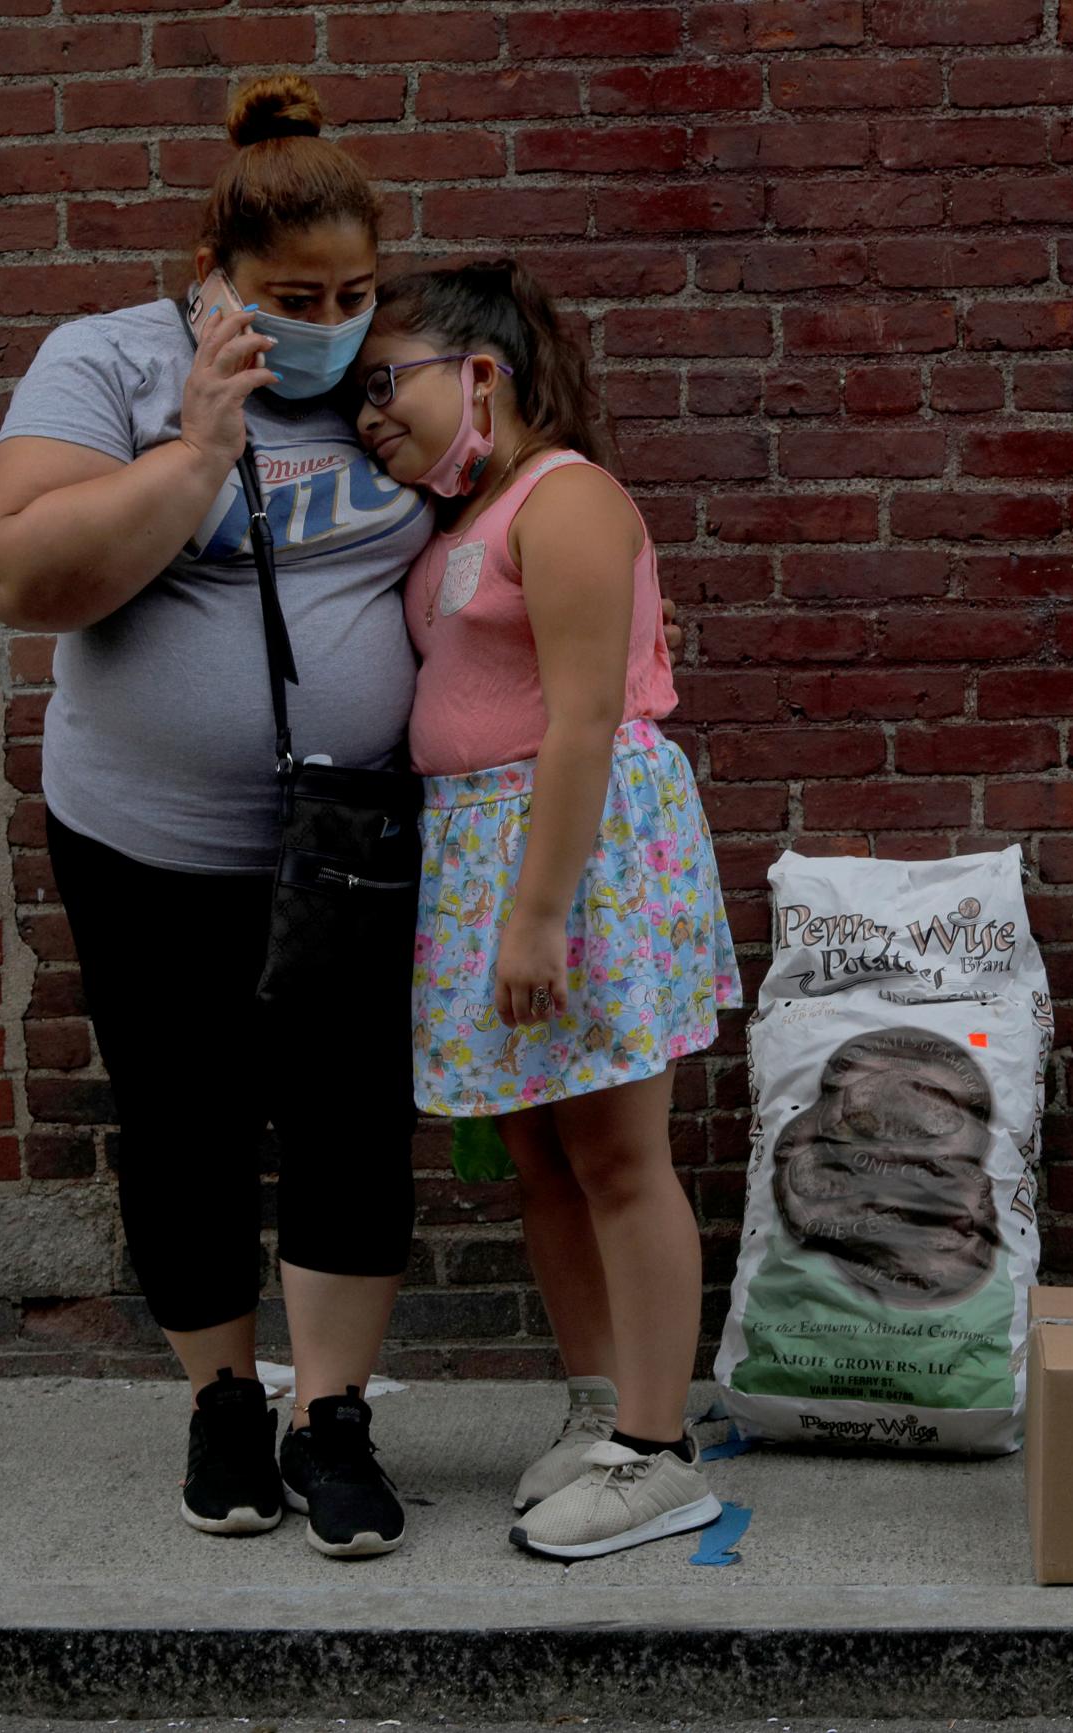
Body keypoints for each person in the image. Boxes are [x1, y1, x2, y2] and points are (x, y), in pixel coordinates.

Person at [0, 76, 429, 1560]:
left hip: (352, 837)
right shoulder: (102, 365)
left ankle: (334, 1416)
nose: (332, 318)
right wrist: (196, 451)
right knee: (183, 1121)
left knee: (353, 1115)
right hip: (143, 837)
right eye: (294, 295)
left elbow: (527, 503)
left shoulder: (403, 372)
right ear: (210, 281)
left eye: (355, 290)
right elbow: (25, 574)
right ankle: (226, 1398)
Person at [353, 260, 740, 1560]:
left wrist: (538, 916)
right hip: (491, 857)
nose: (369, 414)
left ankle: (660, 1448)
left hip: (570, 862)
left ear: (482, 375)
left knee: (622, 1157)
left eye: (384, 381)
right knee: (543, 1164)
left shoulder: (565, 498)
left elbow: (583, 719)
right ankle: (598, 1410)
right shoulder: (472, 515)